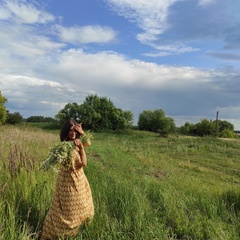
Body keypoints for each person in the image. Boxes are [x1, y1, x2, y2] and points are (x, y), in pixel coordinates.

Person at [40, 119, 94, 240]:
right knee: (66, 209)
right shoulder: (64, 148)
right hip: (68, 181)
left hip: (78, 179)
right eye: (70, 130)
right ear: (65, 132)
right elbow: (83, 163)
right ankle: (61, 234)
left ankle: (78, 229)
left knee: (81, 204)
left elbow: (88, 143)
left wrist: (81, 132)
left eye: (75, 130)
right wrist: (81, 149)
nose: (73, 133)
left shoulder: (75, 142)